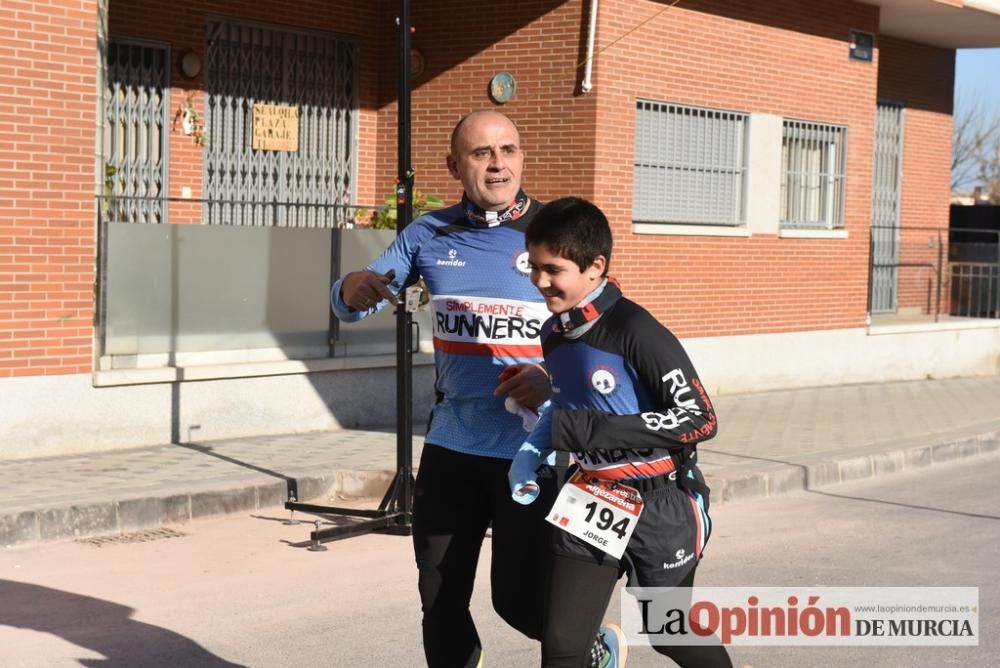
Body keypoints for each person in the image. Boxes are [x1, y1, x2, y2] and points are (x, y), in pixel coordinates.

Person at [332, 113, 618, 668]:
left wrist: (551, 377)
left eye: (508, 149)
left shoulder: (557, 233)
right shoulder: (427, 234)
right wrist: (351, 286)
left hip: (533, 452)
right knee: (438, 598)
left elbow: (610, 336)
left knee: (518, 602)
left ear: (522, 157)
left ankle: (587, 646)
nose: (497, 163)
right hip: (451, 443)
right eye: (481, 153)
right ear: (453, 166)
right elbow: (352, 300)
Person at [508, 197, 734, 668]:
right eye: (534, 266)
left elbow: (701, 418)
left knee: (669, 634)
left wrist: (595, 429)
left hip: (660, 502)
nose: (539, 280)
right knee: (564, 647)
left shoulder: (636, 328)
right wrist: (528, 454)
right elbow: (568, 410)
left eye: (553, 269)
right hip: (592, 497)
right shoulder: (554, 332)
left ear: (595, 267)